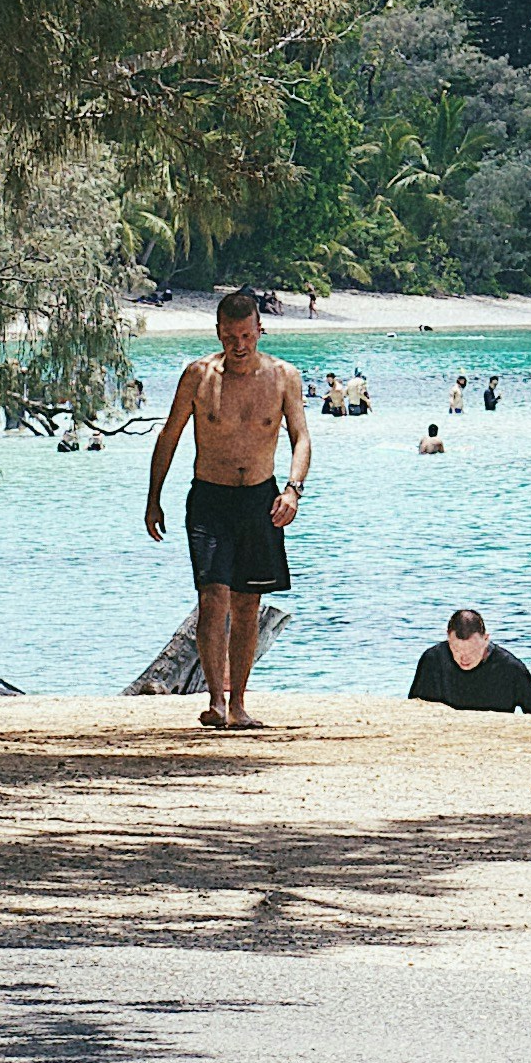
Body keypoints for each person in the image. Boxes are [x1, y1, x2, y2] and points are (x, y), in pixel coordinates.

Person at [144, 286, 312, 731]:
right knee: (211, 597)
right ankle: (215, 702)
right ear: (218, 332)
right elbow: (169, 436)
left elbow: (301, 437)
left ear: (260, 329)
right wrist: (153, 498)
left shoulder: (283, 377)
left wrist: (293, 490)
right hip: (210, 499)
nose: (239, 345)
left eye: (246, 335)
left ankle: (238, 703)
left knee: (246, 602)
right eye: (230, 336)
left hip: (260, 497)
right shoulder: (198, 376)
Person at [409, 609, 531, 715]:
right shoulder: (433, 660)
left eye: (472, 651)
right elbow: (414, 707)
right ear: (448, 639)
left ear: (486, 640)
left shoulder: (510, 668)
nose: (464, 658)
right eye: (456, 650)